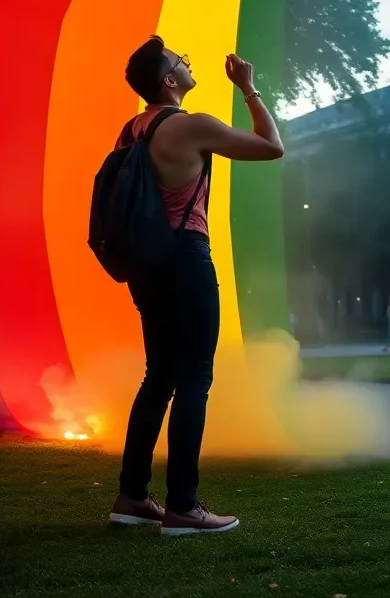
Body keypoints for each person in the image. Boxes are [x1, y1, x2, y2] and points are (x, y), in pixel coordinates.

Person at [108, 37, 284, 537]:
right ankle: (184, 506)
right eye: (178, 61)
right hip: (185, 255)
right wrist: (248, 89)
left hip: (145, 263)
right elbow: (272, 147)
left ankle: (133, 496)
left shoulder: (131, 131)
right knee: (193, 379)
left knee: (158, 377)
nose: (186, 62)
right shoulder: (191, 126)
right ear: (168, 81)